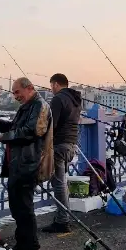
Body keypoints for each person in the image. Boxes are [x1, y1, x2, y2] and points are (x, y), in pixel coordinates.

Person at [0, 78, 53, 250]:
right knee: (18, 207)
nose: (15, 96)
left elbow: (30, 132)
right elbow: (16, 126)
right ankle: (22, 246)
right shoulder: (28, 106)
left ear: (29, 88)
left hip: (29, 164)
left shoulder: (39, 105)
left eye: (17, 92)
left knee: (24, 207)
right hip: (19, 164)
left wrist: (5, 137)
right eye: (14, 93)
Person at [44, 73, 82, 234]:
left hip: (59, 146)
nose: (51, 89)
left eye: (51, 85)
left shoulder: (58, 99)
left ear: (55, 84)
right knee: (62, 182)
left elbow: (51, 124)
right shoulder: (76, 100)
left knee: (58, 184)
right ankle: (63, 217)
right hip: (71, 145)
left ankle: (63, 221)